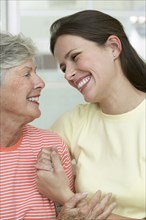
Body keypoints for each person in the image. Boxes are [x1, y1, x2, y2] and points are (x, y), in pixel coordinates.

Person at [36, 10, 146, 220]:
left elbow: (59, 191)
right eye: (63, 67)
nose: (69, 74)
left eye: (75, 57)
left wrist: (64, 195)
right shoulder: (73, 123)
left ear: (113, 47)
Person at [0, 31, 116, 220]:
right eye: (27, 73)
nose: (40, 83)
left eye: (36, 72)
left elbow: (67, 213)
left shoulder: (50, 146)